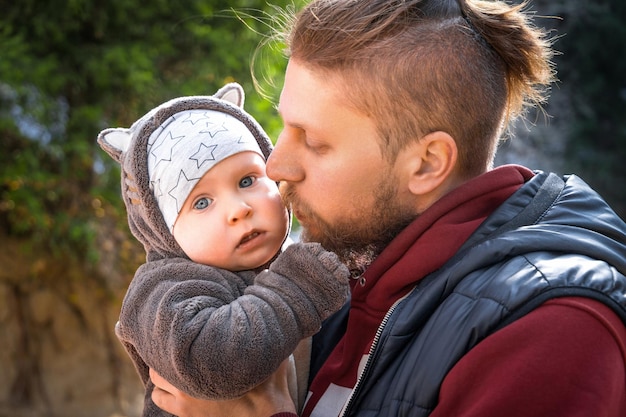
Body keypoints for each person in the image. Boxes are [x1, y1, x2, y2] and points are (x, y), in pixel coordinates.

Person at [150, 0, 626, 416]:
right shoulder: (336, 272)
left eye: (313, 142)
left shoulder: (556, 334)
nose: (276, 166)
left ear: (426, 163)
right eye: (284, 126)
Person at [97, 82, 350, 416]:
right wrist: (293, 292)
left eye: (247, 181)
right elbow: (209, 362)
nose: (238, 210)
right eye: (202, 202)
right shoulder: (159, 292)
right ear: (162, 229)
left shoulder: (291, 259)